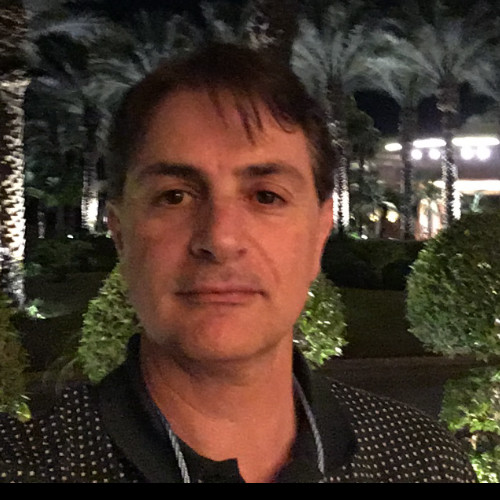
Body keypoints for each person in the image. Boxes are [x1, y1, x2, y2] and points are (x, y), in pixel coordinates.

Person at [0, 43, 476, 483]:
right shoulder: (27, 466)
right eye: (175, 196)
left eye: (266, 196)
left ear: (318, 233)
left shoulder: (424, 462)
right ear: (120, 233)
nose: (220, 238)